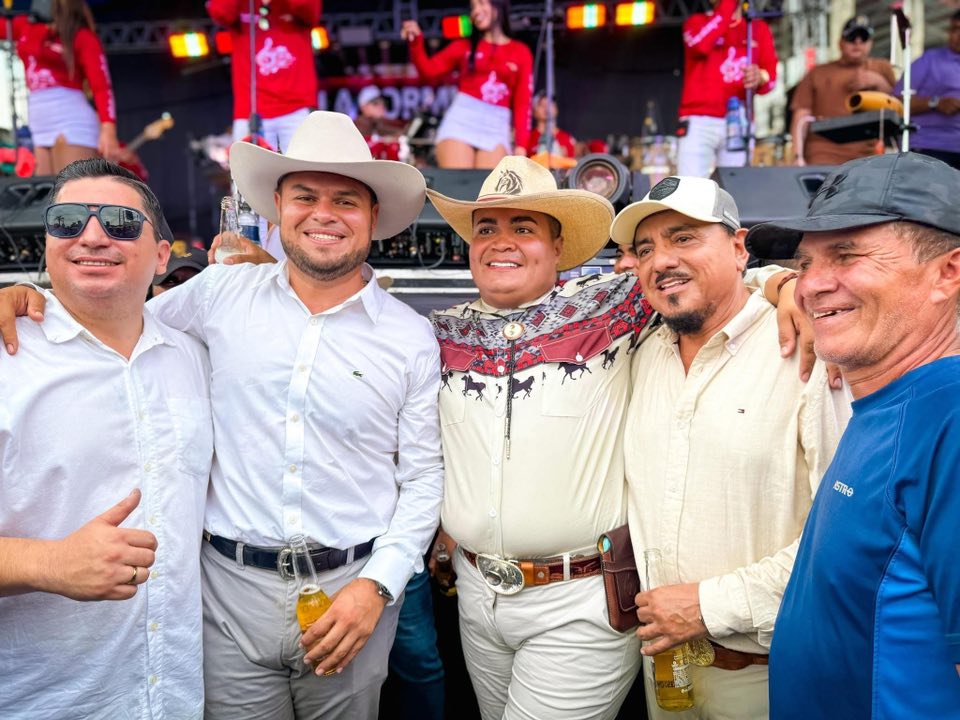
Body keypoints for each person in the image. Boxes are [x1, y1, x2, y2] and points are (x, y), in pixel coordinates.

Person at [0, 111, 444, 720]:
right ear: (277, 209)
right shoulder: (216, 296)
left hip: (352, 590)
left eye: (345, 200)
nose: (323, 213)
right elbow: (112, 313)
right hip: (226, 596)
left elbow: (423, 477)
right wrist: (33, 299)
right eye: (305, 196)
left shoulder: (410, 337)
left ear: (372, 217)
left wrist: (378, 586)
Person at [423, 156, 805, 720]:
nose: (502, 242)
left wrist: (781, 283)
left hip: (579, 598)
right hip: (477, 597)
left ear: (558, 247)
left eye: (523, 227)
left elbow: (699, 278)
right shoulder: (439, 330)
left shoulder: (613, 307)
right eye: (486, 229)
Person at [609, 176, 851, 720]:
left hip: (768, 672)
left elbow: (845, 531)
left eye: (684, 238)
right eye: (644, 249)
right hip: (664, 669)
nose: (660, 260)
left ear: (740, 248)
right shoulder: (639, 352)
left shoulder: (807, 352)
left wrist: (708, 607)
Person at [745, 152, 960, 719]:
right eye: (804, 263)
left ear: (948, 273)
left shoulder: (950, 415)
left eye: (847, 255)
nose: (812, 285)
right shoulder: (893, 401)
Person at [0, 158, 212, 717]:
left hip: (174, 695)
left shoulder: (195, 357)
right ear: (48, 241)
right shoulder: (7, 359)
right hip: (41, 702)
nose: (92, 236)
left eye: (119, 222)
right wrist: (49, 563)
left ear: (162, 256)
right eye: (67, 220)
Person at [402, 0, 533, 168]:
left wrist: (521, 146)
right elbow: (428, 71)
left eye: (481, 3)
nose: (476, 11)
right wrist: (416, 43)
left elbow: (523, 103)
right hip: (462, 118)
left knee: (490, 184)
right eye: (473, 7)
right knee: (459, 182)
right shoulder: (464, 46)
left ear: (498, 5)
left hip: (497, 125)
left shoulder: (520, 52)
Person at [0, 0, 120, 174]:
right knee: (46, 190)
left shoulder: (81, 36)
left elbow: (101, 86)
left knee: (72, 187)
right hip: (40, 121)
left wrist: (108, 129)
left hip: (71, 120)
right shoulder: (27, 26)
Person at [676, 0, 777, 177]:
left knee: (735, 186)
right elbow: (700, 45)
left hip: (739, 119)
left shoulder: (757, 28)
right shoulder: (696, 22)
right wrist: (728, 5)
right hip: (698, 120)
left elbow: (771, 78)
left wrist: (760, 77)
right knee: (690, 187)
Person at [207, 0, 321, 152]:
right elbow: (220, 12)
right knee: (246, 166)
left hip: (297, 109)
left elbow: (308, 8)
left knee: (304, 165)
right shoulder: (243, 4)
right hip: (251, 111)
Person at [791, 16, 897, 166]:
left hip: (868, 157)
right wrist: (797, 156)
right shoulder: (817, 73)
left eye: (863, 38)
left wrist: (879, 82)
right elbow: (801, 116)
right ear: (840, 42)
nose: (857, 42)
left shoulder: (882, 68)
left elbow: (899, 107)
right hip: (823, 154)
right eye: (851, 37)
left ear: (871, 43)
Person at [892, 10, 960, 170]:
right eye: (955, 29)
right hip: (929, 147)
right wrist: (935, 103)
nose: (958, 35)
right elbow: (895, 104)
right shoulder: (929, 60)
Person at [525, 92, 577, 159]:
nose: (546, 108)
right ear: (533, 111)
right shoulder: (528, 138)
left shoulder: (567, 138)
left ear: (556, 109)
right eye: (542, 105)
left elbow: (573, 162)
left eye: (550, 104)